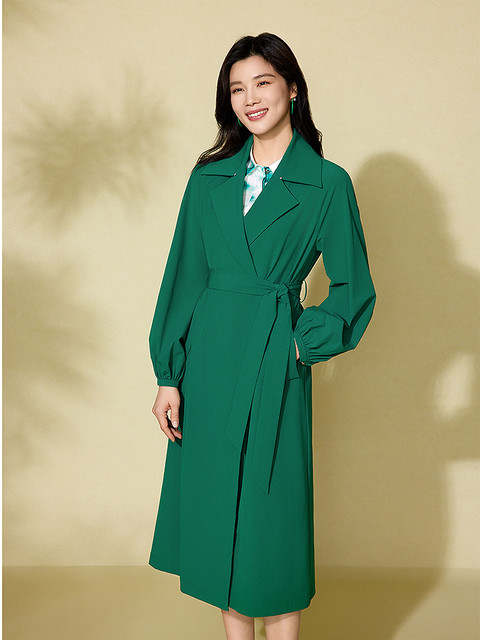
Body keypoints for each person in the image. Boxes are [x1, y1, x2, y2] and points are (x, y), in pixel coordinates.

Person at [148, 32, 376, 640]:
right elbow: (184, 280)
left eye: (263, 82)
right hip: (208, 364)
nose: (250, 98)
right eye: (237, 88)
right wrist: (169, 375)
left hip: (275, 357)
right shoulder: (209, 181)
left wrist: (301, 343)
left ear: (292, 88)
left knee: (271, 520)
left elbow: (354, 287)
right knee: (219, 509)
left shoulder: (327, 183)